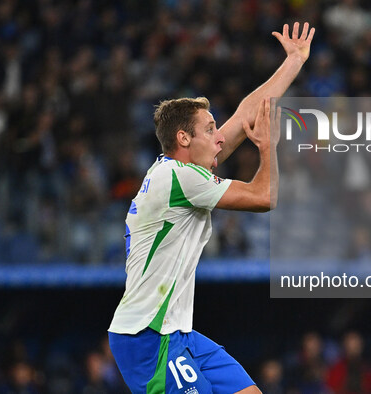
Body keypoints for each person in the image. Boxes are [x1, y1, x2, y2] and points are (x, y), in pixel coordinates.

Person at [108, 22, 315, 394]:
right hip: (147, 339)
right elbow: (263, 197)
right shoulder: (180, 179)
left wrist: (294, 61)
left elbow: (245, 115)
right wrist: (267, 148)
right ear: (183, 138)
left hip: (178, 333)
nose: (220, 137)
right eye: (209, 129)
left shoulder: (181, 174)